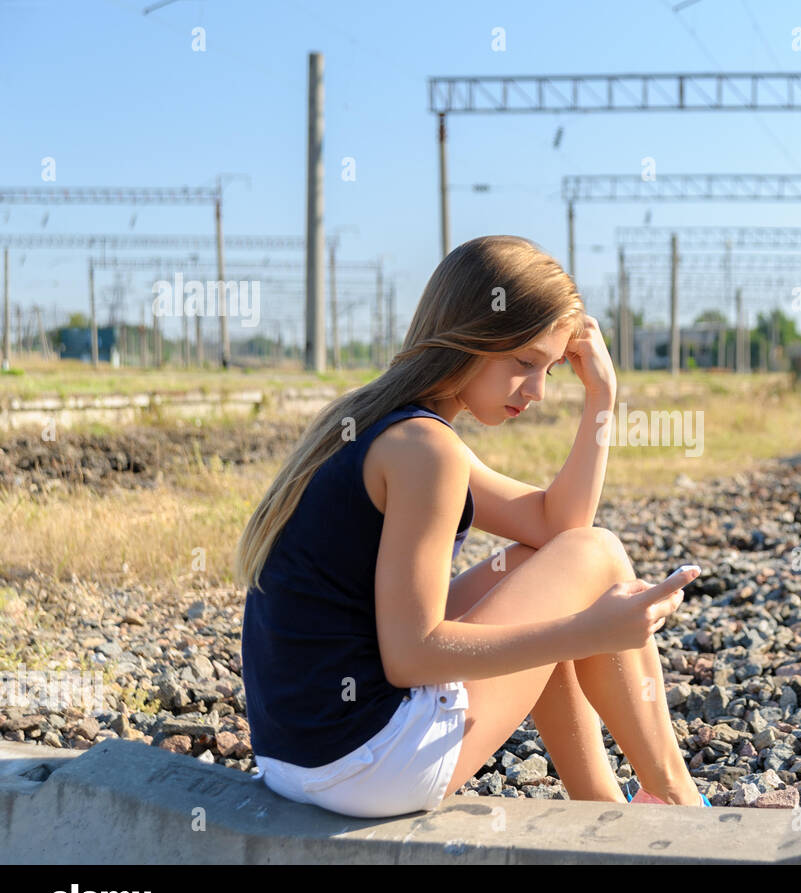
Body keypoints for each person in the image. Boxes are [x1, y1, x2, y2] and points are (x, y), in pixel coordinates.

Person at [232, 235, 706, 818]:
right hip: (364, 761)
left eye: (551, 370)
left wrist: (603, 397)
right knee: (597, 555)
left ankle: (608, 811)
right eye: (524, 363)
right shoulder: (426, 452)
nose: (535, 391)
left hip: (295, 756)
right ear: (470, 337)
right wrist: (589, 631)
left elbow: (557, 525)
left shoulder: (390, 425)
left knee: (554, 563)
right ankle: (683, 807)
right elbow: (412, 655)